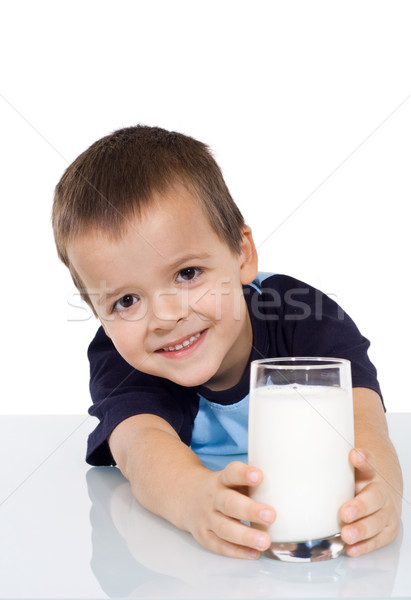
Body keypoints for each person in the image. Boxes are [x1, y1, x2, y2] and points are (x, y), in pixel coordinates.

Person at [52, 125, 403, 560]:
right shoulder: (123, 359)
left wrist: (381, 487)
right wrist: (194, 497)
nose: (166, 316)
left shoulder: (304, 317)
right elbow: (140, 448)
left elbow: (363, 420)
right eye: (126, 300)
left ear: (242, 255)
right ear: (98, 316)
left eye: (187, 274)